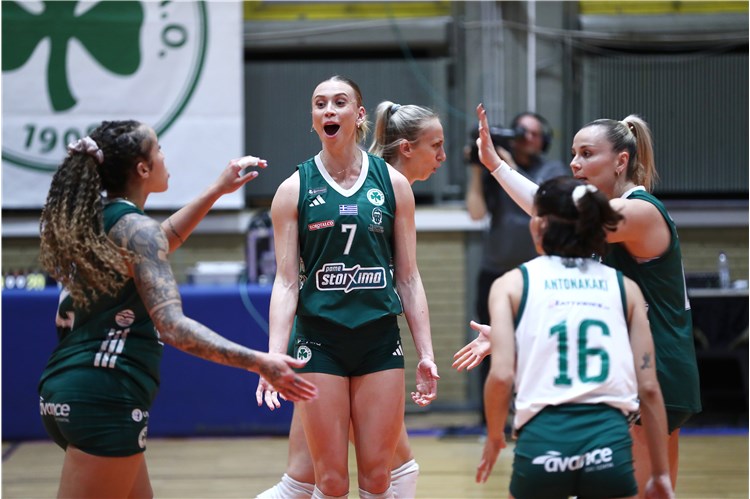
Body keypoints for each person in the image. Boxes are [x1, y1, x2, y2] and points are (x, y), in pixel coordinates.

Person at [38, 121, 318, 498]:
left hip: (68, 387)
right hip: (104, 393)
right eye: (158, 149)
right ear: (143, 168)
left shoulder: (100, 220)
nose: (163, 156)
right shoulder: (135, 230)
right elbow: (171, 326)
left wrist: (216, 190)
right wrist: (258, 361)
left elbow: (160, 239)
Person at [459, 103, 701, 495]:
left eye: (587, 154)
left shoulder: (637, 211)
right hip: (627, 370)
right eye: (573, 153)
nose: (574, 163)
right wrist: (511, 334)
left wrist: (498, 167)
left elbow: (554, 212)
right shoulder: (602, 223)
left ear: (621, 161)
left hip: (656, 370)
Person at [256, 100, 446, 499]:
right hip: (322, 341)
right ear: (407, 148)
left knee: (320, 478)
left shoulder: (391, 188)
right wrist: (274, 353)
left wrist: (426, 352)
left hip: (372, 340)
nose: (443, 157)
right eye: (436, 146)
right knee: (321, 478)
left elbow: (408, 278)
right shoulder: (312, 186)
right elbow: (286, 280)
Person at [475, 175, 674, 498]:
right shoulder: (626, 288)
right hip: (608, 445)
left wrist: (495, 436)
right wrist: (661, 474)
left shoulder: (511, 284)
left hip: (543, 442)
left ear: (539, 225)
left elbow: (501, 376)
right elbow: (649, 388)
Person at [464, 112, 569, 426]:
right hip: (496, 271)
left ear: (544, 139)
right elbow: (475, 212)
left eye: (534, 133)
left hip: (538, 273)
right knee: (489, 343)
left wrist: (505, 167)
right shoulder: (493, 170)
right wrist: (479, 169)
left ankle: (536, 411)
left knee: (537, 342)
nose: (527, 139)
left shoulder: (552, 170)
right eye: (521, 132)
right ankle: (492, 420)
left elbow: (544, 202)